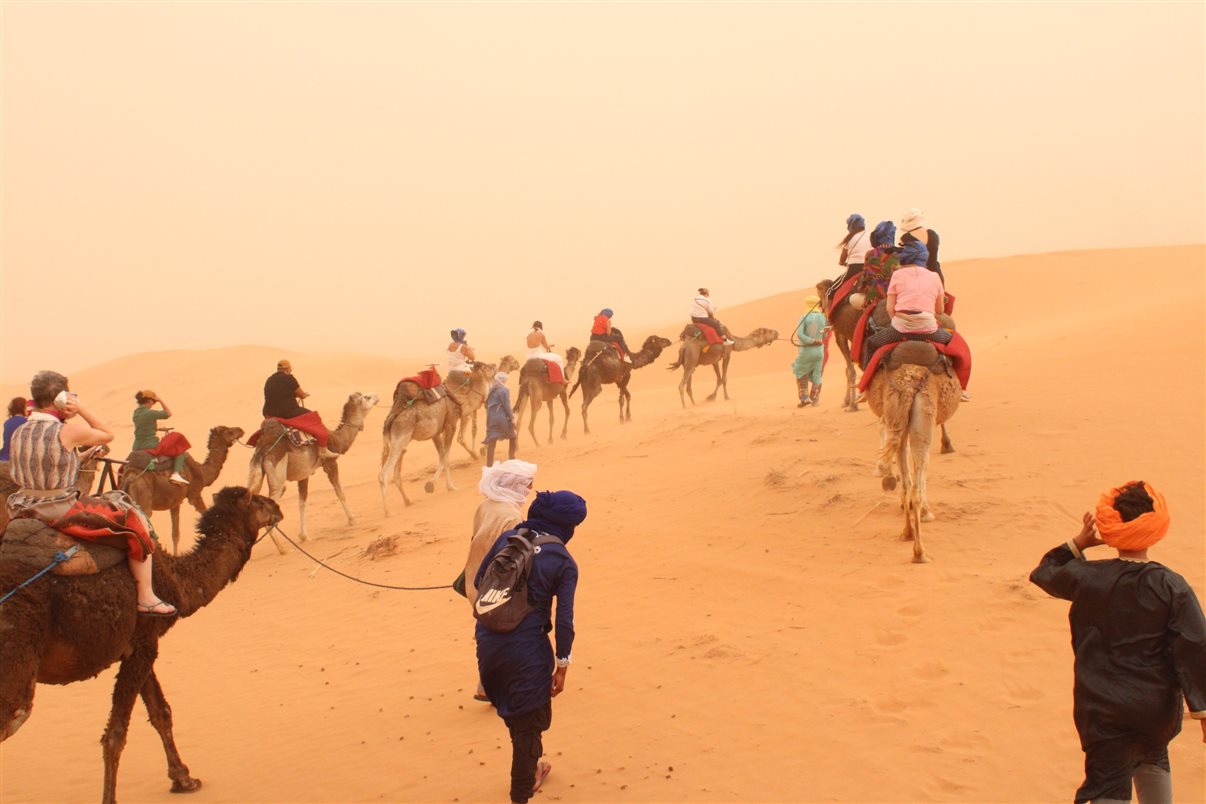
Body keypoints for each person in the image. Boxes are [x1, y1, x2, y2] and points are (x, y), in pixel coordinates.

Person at [1030, 481, 1206, 804]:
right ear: (1156, 526)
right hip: (1155, 713)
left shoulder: (1086, 577)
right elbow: (1195, 648)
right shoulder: (1171, 585)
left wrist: (1078, 543)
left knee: (1107, 786)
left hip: (1102, 713)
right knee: (1152, 755)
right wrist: (1203, 711)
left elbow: (1044, 572)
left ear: (1112, 527)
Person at [6, 371, 176, 616]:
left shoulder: (21, 430)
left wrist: (81, 457)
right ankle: (146, 597)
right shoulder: (68, 431)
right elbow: (108, 433)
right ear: (62, 398)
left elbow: (41, 464)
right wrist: (81, 408)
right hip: (57, 507)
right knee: (134, 521)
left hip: (21, 504)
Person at [475, 490, 587, 804]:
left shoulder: (511, 537)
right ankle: (521, 793)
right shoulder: (563, 560)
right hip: (526, 651)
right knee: (528, 729)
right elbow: (564, 621)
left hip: (487, 642)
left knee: (521, 722)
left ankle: (533, 765)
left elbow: (480, 580)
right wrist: (562, 666)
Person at [462, 459, 539, 701]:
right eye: (527, 484)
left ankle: (487, 685)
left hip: (474, 577)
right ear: (513, 484)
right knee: (505, 633)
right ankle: (491, 686)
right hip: (498, 584)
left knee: (488, 631)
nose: (528, 489)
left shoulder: (486, 505)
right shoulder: (511, 515)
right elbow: (513, 554)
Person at [131, 390, 189, 485]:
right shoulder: (149, 413)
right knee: (178, 441)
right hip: (150, 445)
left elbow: (142, 426)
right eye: (153, 403)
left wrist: (156, 429)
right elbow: (168, 413)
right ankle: (176, 474)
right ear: (149, 401)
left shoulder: (136, 413)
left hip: (137, 446)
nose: (152, 405)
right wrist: (160, 400)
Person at [825, 214, 874, 304]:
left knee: (830, 290)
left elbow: (843, 257)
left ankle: (828, 316)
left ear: (851, 225)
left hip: (854, 269)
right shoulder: (872, 235)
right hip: (871, 268)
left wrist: (841, 262)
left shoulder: (850, 239)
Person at [853, 221, 901, 309]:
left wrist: (860, 288)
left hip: (873, 299)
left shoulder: (870, 254)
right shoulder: (899, 254)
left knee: (853, 299)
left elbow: (864, 280)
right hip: (895, 299)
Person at [792, 296, 827, 407]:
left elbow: (800, 334)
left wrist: (811, 340)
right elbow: (825, 334)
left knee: (800, 372)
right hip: (819, 351)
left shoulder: (804, 317)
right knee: (817, 374)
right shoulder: (823, 317)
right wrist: (818, 340)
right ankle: (815, 399)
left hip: (806, 351)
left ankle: (805, 398)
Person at [899, 208, 943, 284]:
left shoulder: (904, 238)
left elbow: (901, 260)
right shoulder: (933, 234)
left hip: (917, 279)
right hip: (936, 276)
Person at [483, 372, 518, 466]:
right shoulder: (504, 390)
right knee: (513, 436)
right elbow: (507, 406)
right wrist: (512, 419)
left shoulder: (491, 389)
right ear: (503, 380)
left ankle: (489, 465)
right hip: (501, 418)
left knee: (492, 441)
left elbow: (486, 404)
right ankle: (511, 458)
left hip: (490, 418)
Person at [0, 396, 28, 487]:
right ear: (24, 408)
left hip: (4, 457)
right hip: (17, 460)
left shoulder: (7, 422)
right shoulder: (27, 423)